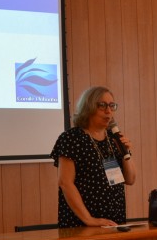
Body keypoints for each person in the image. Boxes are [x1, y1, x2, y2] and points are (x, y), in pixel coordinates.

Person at [51, 86, 136, 227]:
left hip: (114, 222)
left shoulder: (113, 139)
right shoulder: (71, 138)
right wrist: (89, 219)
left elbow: (130, 179)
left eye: (111, 105)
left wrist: (125, 152)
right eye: (102, 105)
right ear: (88, 107)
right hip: (81, 224)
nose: (108, 111)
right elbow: (65, 183)